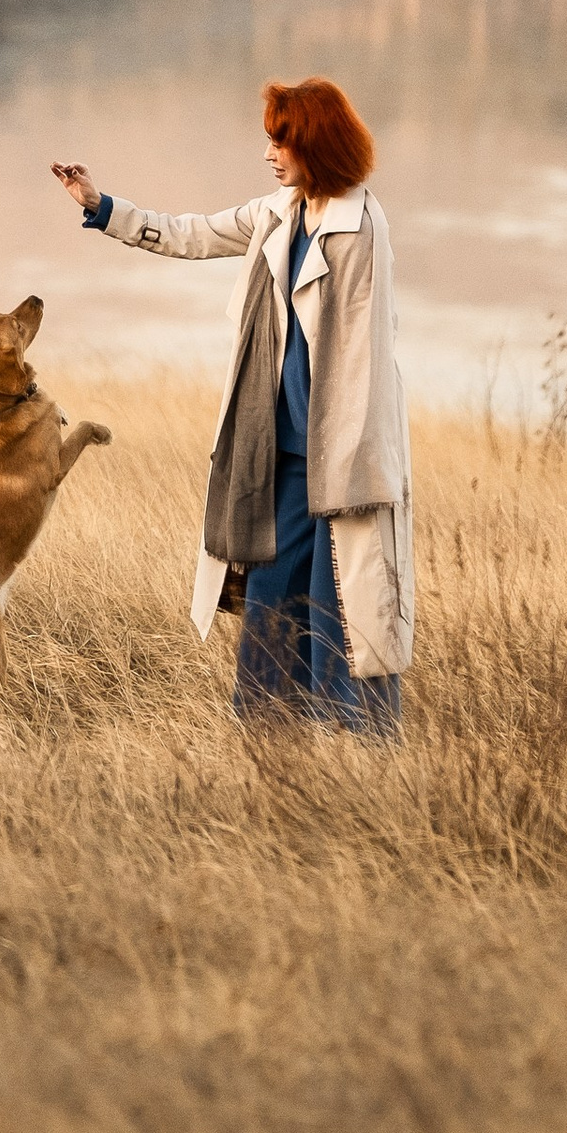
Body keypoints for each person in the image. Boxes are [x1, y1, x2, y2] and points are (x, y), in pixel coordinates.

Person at [51, 79, 412, 730]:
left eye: (281, 140)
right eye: (270, 139)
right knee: (271, 604)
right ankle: (269, 741)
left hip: (343, 463)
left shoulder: (360, 226)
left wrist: (355, 475)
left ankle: (361, 756)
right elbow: (193, 234)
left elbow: (362, 355)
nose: (269, 154)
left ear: (315, 143)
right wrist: (103, 207)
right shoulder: (279, 211)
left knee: (348, 618)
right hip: (282, 455)